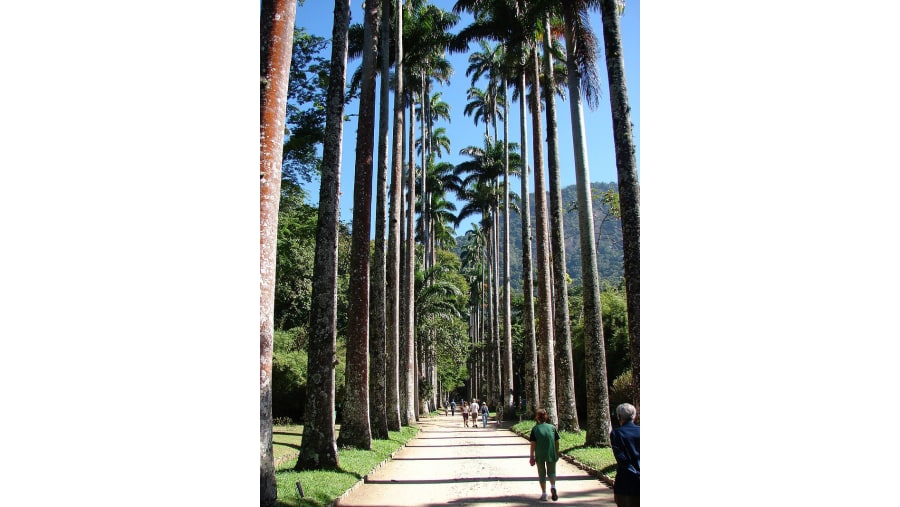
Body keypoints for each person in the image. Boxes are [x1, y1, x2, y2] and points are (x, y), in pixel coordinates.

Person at [610, 403, 640, 507]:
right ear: (634, 416)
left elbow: (621, 458)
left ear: (619, 417)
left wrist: (634, 473)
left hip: (625, 482)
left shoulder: (616, 433)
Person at [529, 408, 560, 501]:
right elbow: (557, 441)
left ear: (537, 418)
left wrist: (531, 456)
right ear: (546, 417)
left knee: (541, 473)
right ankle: (553, 486)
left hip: (540, 454)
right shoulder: (552, 428)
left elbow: (533, 444)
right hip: (551, 453)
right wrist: (557, 452)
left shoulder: (535, 429)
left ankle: (544, 494)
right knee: (552, 472)